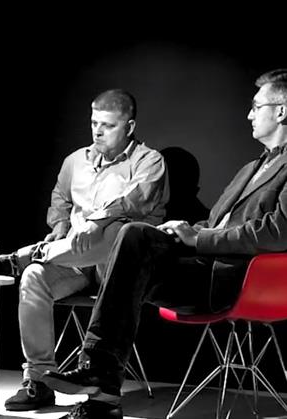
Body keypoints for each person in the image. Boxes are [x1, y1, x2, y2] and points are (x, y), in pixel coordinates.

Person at [41, 68, 287, 419]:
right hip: (205, 267)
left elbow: (278, 232)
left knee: (133, 240)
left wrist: (199, 238)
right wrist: (186, 229)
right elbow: (217, 223)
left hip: (239, 279)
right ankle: (101, 382)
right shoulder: (252, 167)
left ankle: (100, 377)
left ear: (281, 111)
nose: (249, 114)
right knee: (136, 234)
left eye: (256, 106)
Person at [1, 89, 169, 411]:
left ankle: (34, 253)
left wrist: (97, 221)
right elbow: (60, 199)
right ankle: (38, 380)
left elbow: (135, 202)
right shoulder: (75, 161)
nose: (98, 131)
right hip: (75, 264)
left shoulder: (149, 161)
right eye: (94, 123)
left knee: (117, 230)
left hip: (118, 268)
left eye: (108, 125)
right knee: (33, 276)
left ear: (129, 126)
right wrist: (60, 225)